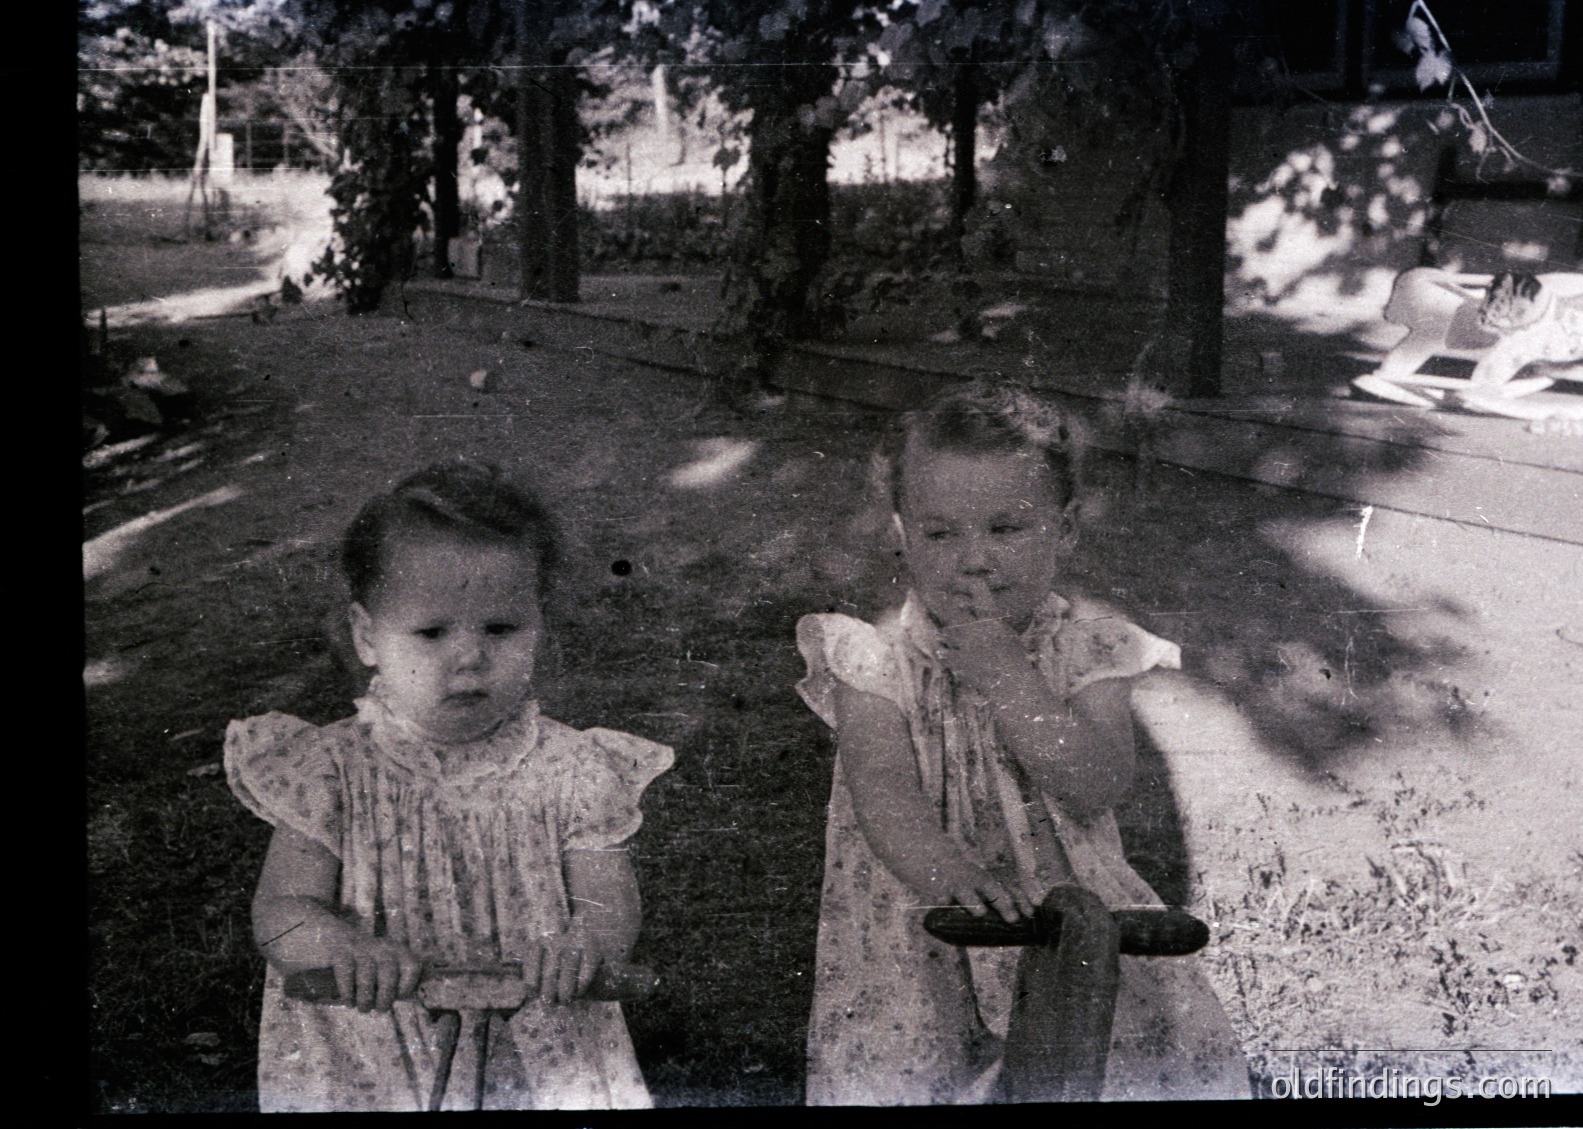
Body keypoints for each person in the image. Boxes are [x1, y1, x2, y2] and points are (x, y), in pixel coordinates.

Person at [795, 382, 1249, 1104]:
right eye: (940, 533)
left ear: (1063, 529)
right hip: (923, 919)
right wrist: (947, 870)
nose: (972, 560)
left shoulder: (1085, 652)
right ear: (901, 532)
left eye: (1005, 529)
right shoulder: (872, 660)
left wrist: (1008, 677)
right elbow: (880, 786)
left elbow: (1095, 781)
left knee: (1087, 1070)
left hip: (1062, 910)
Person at [224, 460, 672, 1111]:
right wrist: (341, 946)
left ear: (538, 623)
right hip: (375, 1047)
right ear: (366, 635)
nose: (469, 655)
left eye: (500, 628)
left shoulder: (575, 768)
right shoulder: (331, 769)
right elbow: (281, 909)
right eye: (432, 631)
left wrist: (584, 944)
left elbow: (609, 900)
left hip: (538, 1040)